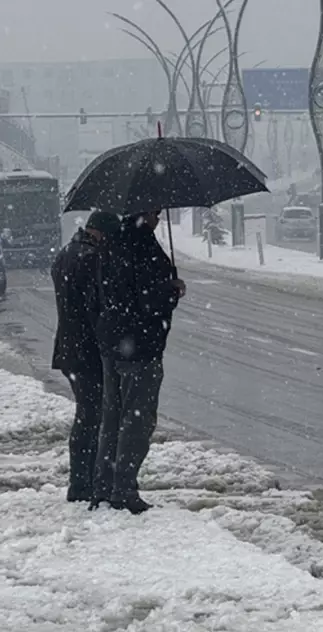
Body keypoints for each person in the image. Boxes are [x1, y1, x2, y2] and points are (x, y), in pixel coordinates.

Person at [92, 211, 186, 514]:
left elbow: (112, 292)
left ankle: (103, 486)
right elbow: (146, 299)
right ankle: (123, 490)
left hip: (113, 342)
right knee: (137, 419)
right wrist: (171, 291)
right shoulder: (141, 245)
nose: (159, 216)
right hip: (140, 345)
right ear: (142, 211)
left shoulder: (113, 242)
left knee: (114, 416)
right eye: (155, 211)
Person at [51, 210, 121, 503]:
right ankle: (84, 483)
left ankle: (83, 480)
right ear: (100, 233)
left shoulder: (66, 253)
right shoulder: (92, 259)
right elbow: (98, 308)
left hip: (70, 348)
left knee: (87, 414)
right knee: (92, 417)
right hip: (88, 351)